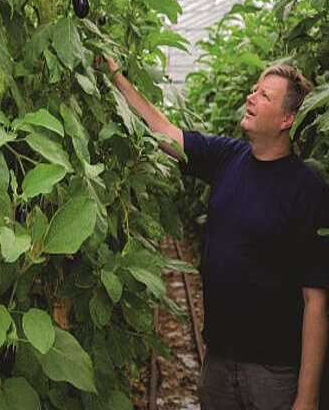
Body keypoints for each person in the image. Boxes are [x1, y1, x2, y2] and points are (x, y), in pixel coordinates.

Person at [105, 57, 328, 410]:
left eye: (264, 96)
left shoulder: (307, 190)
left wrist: (307, 396)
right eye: (254, 90)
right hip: (219, 364)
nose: (251, 98)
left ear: (287, 120)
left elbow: (316, 303)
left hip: (273, 375)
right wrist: (117, 77)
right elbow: (166, 132)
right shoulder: (228, 157)